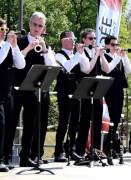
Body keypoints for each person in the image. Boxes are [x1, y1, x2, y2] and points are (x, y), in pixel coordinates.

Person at [10, 12, 56, 167]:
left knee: (31, 124)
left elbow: (52, 66)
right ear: (29, 25)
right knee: (11, 122)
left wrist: (44, 50)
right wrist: (29, 47)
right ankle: (5, 156)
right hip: (17, 88)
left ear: (44, 28)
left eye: (40, 26)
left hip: (34, 89)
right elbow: (16, 64)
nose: (37, 28)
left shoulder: (46, 45)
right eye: (35, 25)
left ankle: (26, 157)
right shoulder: (19, 42)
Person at [53, 31, 90, 162]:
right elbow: (67, 67)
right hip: (64, 91)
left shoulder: (77, 54)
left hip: (77, 90)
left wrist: (82, 53)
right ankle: (58, 151)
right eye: (72, 39)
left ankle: (71, 149)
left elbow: (86, 68)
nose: (74, 41)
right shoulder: (58, 55)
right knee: (64, 121)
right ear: (64, 40)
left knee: (75, 121)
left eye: (75, 39)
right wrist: (78, 54)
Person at [75, 29, 109, 158]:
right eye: (90, 38)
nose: (93, 41)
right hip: (85, 89)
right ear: (84, 39)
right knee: (84, 120)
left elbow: (107, 69)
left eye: (94, 38)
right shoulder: (81, 52)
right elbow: (87, 69)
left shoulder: (97, 52)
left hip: (97, 89)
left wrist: (101, 55)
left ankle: (94, 150)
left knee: (97, 120)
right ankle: (80, 150)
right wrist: (96, 55)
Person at [0, 18, 25, 172]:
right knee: (1, 124)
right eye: (1, 29)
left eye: (5, 29)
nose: (4, 32)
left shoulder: (7, 46)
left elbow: (21, 65)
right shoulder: (3, 46)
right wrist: (8, 44)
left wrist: (15, 47)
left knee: (9, 124)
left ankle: (4, 157)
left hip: (8, 91)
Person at [103, 35, 131, 158]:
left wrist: (124, 57)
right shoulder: (104, 56)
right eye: (113, 45)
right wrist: (118, 57)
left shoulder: (118, 57)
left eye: (117, 44)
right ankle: (107, 147)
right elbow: (108, 69)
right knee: (109, 120)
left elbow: (129, 70)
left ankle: (113, 145)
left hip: (119, 91)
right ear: (107, 45)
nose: (116, 47)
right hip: (108, 91)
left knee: (116, 119)